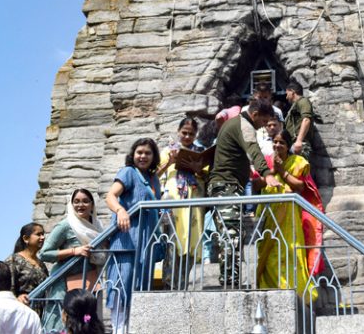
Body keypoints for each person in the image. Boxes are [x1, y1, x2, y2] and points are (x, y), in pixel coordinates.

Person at [207, 98, 281, 286]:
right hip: (225, 187)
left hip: (228, 186)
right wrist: (266, 173)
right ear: (255, 115)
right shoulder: (243, 124)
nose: (264, 127)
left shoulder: (233, 124)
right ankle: (230, 283)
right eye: (264, 121)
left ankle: (232, 281)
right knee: (231, 236)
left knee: (235, 235)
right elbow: (254, 150)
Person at [255, 130, 324, 302]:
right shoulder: (266, 161)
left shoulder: (298, 162)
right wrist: (270, 172)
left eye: (282, 143)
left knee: (291, 252)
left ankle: (296, 293)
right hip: (270, 216)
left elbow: (300, 186)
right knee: (270, 255)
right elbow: (255, 183)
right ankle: (271, 291)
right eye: (275, 142)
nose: (278, 145)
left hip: (289, 218)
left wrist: (282, 172)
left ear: (288, 145)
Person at [105, 137, 162, 334]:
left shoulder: (154, 179)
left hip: (146, 243)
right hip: (127, 240)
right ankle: (118, 330)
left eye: (148, 153)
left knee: (139, 289)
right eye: (139, 152)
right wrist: (120, 211)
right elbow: (110, 195)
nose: (143, 156)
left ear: (154, 156)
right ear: (133, 154)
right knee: (122, 287)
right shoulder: (128, 172)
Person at [39, 189, 105, 333]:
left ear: (92, 205)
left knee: (86, 323)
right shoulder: (66, 225)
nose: (81, 205)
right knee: (60, 324)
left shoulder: (97, 226)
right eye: (76, 201)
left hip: (87, 282)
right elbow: (44, 253)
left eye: (85, 201)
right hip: (64, 284)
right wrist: (75, 251)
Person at [157, 118, 206, 289]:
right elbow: (154, 174)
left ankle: (183, 282)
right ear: (178, 131)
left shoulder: (200, 152)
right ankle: (169, 284)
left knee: (191, 241)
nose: (187, 136)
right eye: (184, 133)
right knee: (173, 242)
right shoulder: (167, 151)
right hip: (174, 203)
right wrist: (170, 162)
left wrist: (197, 168)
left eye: (191, 134)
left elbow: (206, 175)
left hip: (193, 203)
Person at [6, 223, 48, 316]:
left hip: (40, 315)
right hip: (21, 312)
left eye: (43, 234)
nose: (42, 237)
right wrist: (17, 299)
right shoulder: (14, 260)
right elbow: (8, 288)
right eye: (38, 234)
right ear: (25, 238)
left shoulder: (41, 264)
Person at [284, 81, 315, 159]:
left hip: (299, 144)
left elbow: (306, 120)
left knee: (300, 169)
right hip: (293, 144)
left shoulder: (303, 101)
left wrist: (299, 140)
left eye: (287, 94)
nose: (286, 97)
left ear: (292, 92)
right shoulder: (295, 104)